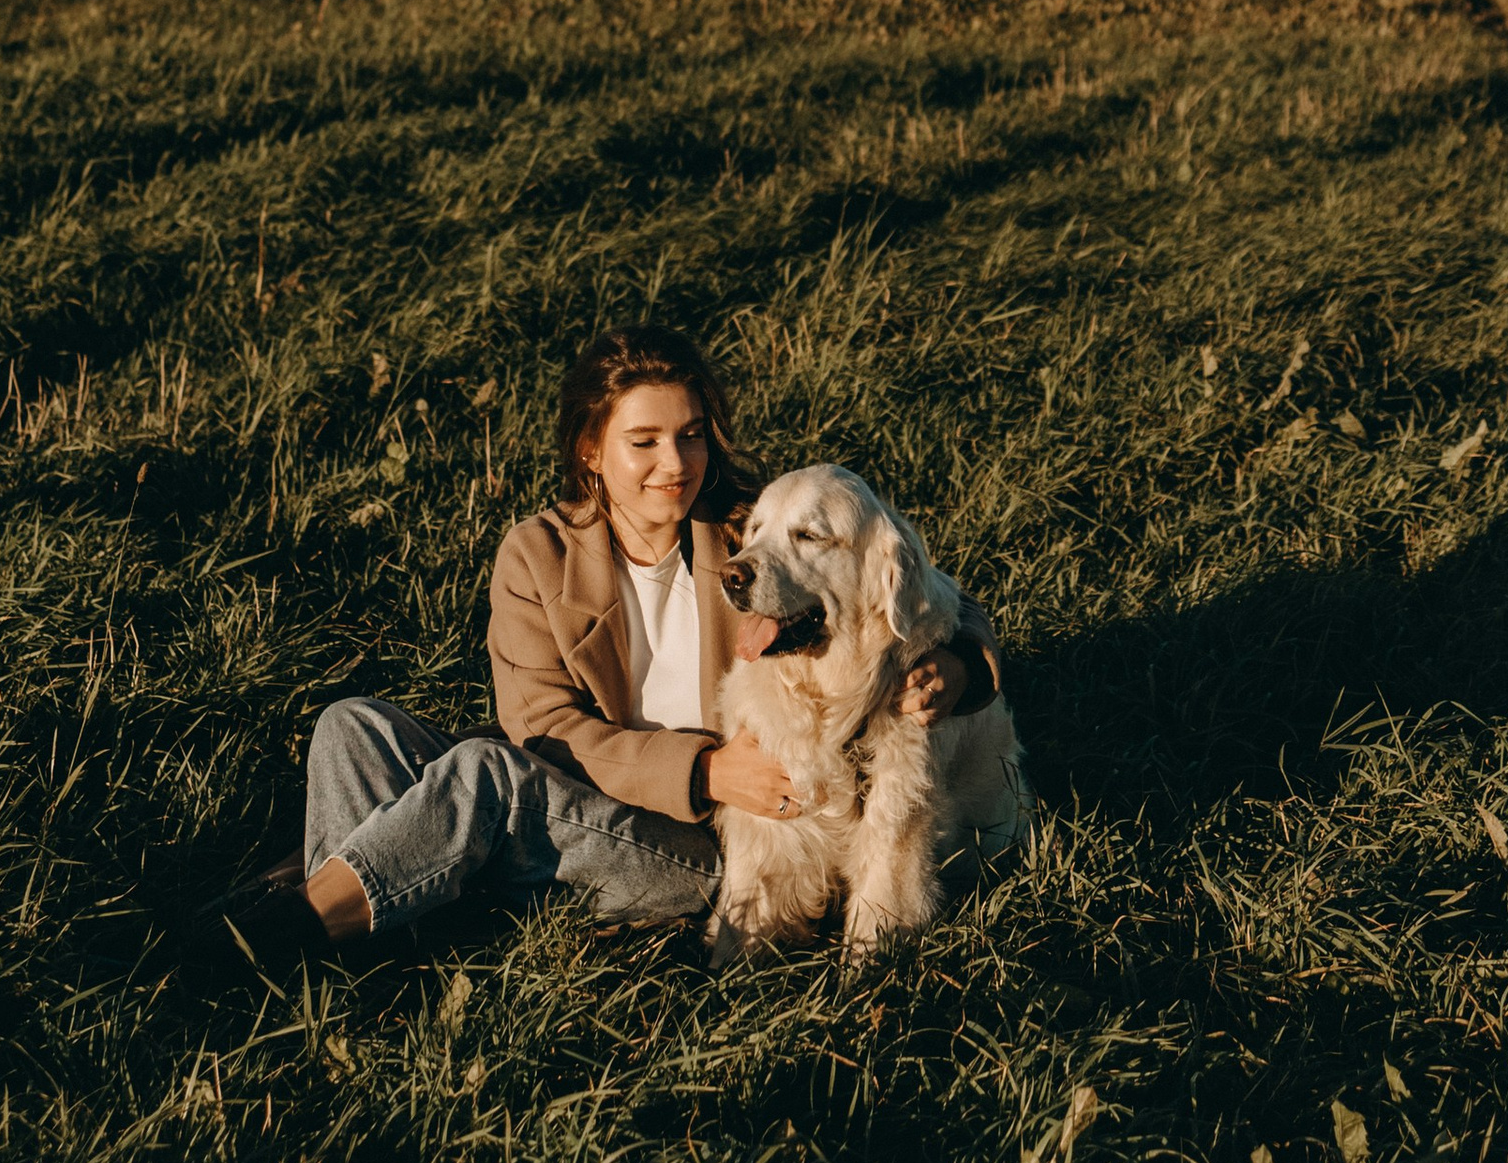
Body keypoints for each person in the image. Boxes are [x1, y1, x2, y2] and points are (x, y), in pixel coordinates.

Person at [221, 320, 1004, 967]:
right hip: (600, 791)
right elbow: (544, 728)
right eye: (646, 442)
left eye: (691, 436)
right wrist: (699, 766)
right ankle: (356, 938)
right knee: (350, 725)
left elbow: (928, 590)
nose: (676, 464)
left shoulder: (745, 528)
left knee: (482, 773)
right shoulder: (535, 555)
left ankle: (293, 935)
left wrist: (964, 668)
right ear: (591, 451)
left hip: (700, 840)